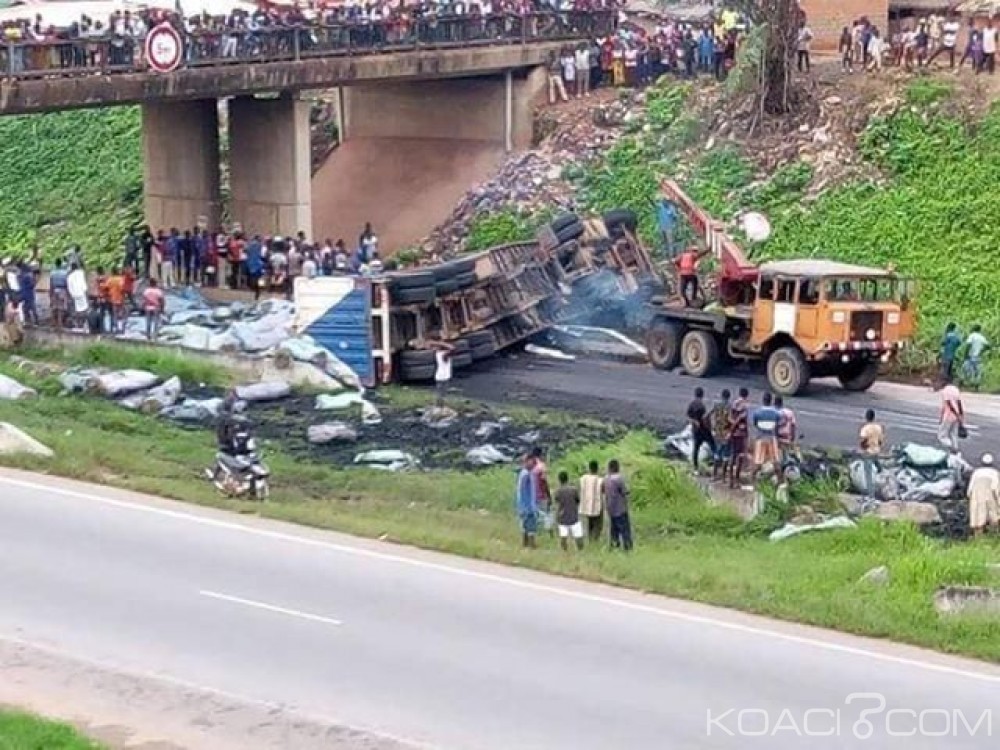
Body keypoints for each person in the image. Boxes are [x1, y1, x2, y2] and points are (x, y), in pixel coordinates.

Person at [967, 454, 1000, 538]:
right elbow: (996, 488)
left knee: (977, 515)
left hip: (976, 495)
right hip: (989, 494)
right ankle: (994, 535)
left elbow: (970, 489)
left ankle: (978, 537)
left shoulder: (976, 472)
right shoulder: (995, 472)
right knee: (994, 514)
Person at [750, 392, 781, 482]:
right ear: (771, 401)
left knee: (757, 463)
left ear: (763, 400)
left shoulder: (757, 412)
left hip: (760, 438)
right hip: (771, 438)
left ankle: (753, 483)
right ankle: (780, 482)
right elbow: (777, 424)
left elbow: (755, 424)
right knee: (776, 462)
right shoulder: (776, 413)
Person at [605, 459, 632, 551]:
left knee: (614, 530)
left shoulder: (606, 479)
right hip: (620, 508)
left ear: (609, 468)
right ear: (617, 467)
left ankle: (614, 545)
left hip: (610, 508)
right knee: (625, 529)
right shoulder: (619, 479)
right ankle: (627, 547)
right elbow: (625, 491)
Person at [687, 386, 715, 474]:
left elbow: (688, 416)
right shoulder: (701, 406)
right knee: (713, 446)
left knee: (696, 449)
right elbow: (704, 419)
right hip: (704, 430)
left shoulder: (691, 404)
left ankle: (695, 468)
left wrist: (694, 422)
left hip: (695, 430)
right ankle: (717, 465)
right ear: (702, 395)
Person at [858, 409, 885, 499]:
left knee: (868, 475)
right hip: (876, 451)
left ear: (866, 417)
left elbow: (863, 440)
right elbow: (880, 441)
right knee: (879, 469)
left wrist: (863, 447)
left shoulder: (865, 428)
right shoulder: (878, 427)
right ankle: (884, 481)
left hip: (868, 452)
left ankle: (871, 495)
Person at [554, 471, 584, 551]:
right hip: (574, 516)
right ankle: (580, 551)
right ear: (567, 479)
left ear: (559, 480)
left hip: (562, 517)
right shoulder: (574, 490)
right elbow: (578, 501)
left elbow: (557, 502)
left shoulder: (558, 491)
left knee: (563, 537)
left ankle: (565, 552)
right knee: (578, 537)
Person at [728, 387, 750, 488]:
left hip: (733, 433)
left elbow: (730, 418)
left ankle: (730, 480)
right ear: (746, 395)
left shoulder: (734, 403)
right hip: (740, 433)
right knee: (740, 457)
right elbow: (742, 419)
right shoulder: (745, 405)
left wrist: (731, 429)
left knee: (732, 455)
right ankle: (736, 480)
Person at [516, 454, 538, 549]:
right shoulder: (526, 474)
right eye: (532, 461)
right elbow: (521, 491)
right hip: (528, 506)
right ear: (527, 461)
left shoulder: (525, 473)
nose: (534, 463)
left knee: (525, 527)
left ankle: (525, 545)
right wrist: (524, 506)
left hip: (527, 505)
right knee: (531, 527)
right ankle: (531, 545)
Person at [531, 445, 554, 537]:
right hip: (542, 496)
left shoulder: (531, 467)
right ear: (541, 455)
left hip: (533, 496)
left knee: (536, 516)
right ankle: (549, 534)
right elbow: (545, 482)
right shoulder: (541, 466)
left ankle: (537, 533)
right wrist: (549, 496)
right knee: (546, 515)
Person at [579, 459, 604, 542]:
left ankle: (590, 539)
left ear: (589, 468)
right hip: (597, 505)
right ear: (597, 469)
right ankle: (595, 540)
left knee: (590, 523)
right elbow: (603, 490)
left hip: (587, 505)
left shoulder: (583, 479)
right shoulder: (600, 480)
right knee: (598, 525)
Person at [710, 389, 731, 481]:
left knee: (717, 454)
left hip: (718, 432)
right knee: (726, 455)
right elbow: (731, 420)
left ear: (722, 396)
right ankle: (723, 477)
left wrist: (712, 428)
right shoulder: (730, 407)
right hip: (726, 433)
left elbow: (709, 415)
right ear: (729, 397)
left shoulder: (716, 405)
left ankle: (714, 476)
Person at [938, 381, 965, 453]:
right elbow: (959, 403)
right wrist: (960, 415)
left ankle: (950, 446)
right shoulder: (956, 390)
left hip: (948, 416)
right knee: (954, 434)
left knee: (942, 436)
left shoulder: (945, 391)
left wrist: (941, 417)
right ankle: (955, 448)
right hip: (956, 416)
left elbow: (948, 404)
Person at [961, 324, 990, 389]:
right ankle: (976, 385)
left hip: (970, 356)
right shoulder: (982, 337)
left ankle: (964, 384)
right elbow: (988, 346)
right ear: (979, 330)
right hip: (978, 356)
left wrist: (965, 354)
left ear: (974, 329)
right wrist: (982, 351)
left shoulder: (972, 336)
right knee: (978, 371)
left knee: (965, 369)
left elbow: (968, 345)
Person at [430, 338, 455, 408]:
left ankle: (439, 406)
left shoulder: (438, 353)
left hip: (440, 376)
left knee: (440, 393)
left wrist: (437, 343)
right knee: (442, 393)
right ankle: (440, 407)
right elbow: (453, 349)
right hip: (443, 377)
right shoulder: (444, 355)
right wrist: (441, 343)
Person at [774, 395, 797, 459]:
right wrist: (793, 437)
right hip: (787, 437)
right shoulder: (789, 412)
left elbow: (774, 426)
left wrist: (775, 438)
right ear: (782, 403)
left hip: (778, 437)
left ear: (774, 403)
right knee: (787, 455)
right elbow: (793, 425)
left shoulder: (774, 413)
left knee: (778, 456)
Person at [49, 258, 69, 330]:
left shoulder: (52, 273)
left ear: (55, 264)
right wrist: (68, 292)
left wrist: (50, 294)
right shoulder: (65, 273)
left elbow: (51, 284)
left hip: (54, 290)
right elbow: (66, 284)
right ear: (61, 264)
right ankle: (60, 324)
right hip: (62, 290)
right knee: (61, 308)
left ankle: (53, 324)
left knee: (54, 308)